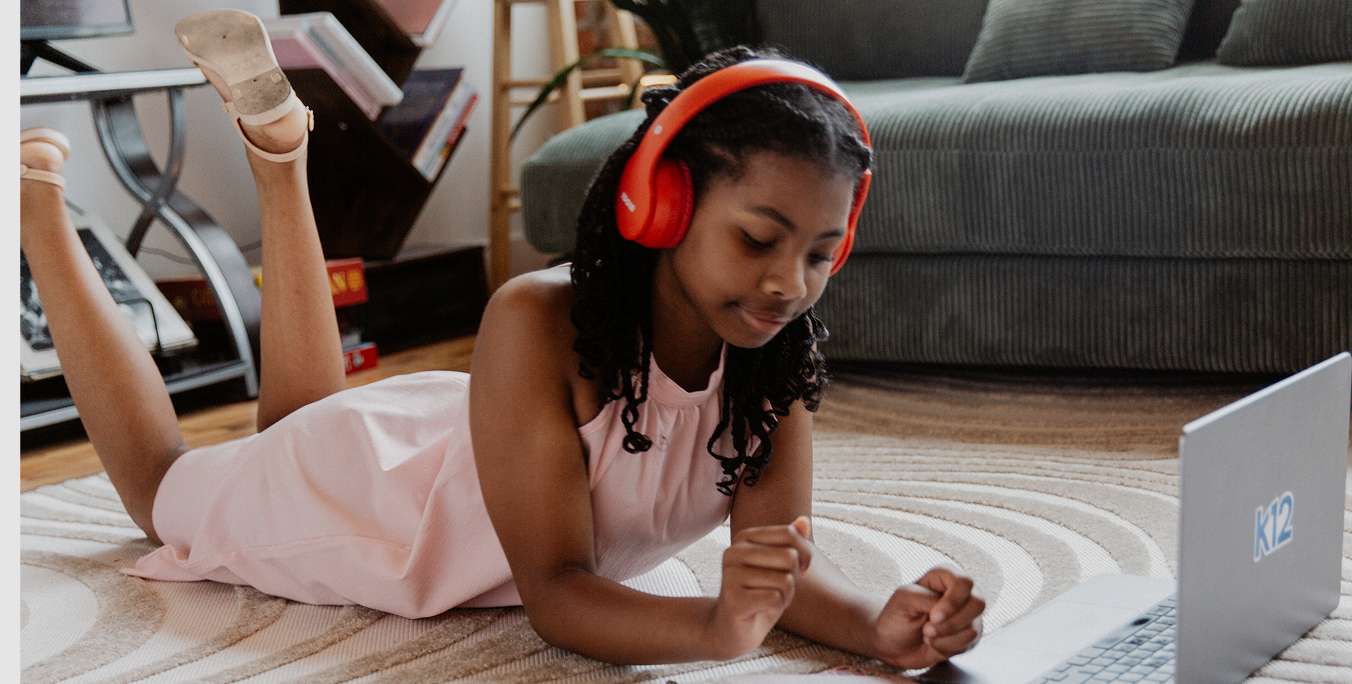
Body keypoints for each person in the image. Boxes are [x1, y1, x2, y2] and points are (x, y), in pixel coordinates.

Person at [18, 8, 985, 670]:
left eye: (820, 252)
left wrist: (882, 625)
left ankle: (283, 156)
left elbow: (781, 567)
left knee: (294, 425)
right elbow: (557, 595)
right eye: (758, 240)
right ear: (662, 203)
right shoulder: (537, 317)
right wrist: (713, 629)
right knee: (162, 498)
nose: (790, 283)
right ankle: (38, 208)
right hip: (386, 508)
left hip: (447, 448)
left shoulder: (771, 358)